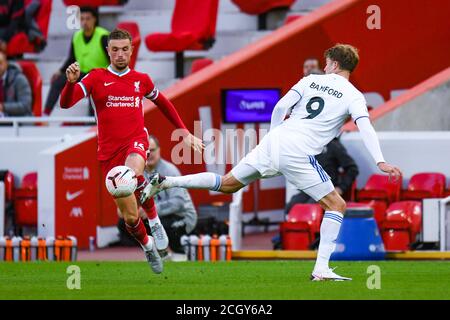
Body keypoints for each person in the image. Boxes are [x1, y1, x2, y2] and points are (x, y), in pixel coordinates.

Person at [143, 44, 402, 281]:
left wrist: (275, 136)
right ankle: (321, 268)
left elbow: (279, 107)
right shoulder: (354, 96)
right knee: (336, 204)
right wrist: (380, 161)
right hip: (299, 151)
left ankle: (166, 182)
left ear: (334, 64)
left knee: (228, 184)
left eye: (326, 62)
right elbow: (365, 126)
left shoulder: (311, 80)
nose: (324, 67)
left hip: (275, 139)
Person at [59, 28, 204, 274]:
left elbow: (164, 103)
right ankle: (147, 246)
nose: (120, 54)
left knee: (133, 172)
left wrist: (185, 132)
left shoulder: (141, 79)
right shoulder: (95, 77)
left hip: (136, 141)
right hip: (108, 153)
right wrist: (69, 83)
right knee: (129, 217)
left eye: (124, 49)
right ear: (108, 51)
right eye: (115, 49)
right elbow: (65, 103)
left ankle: (155, 221)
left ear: (131, 50)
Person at [117, 135, 197, 261]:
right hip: (156, 217)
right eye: (146, 151)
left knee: (164, 224)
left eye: (153, 150)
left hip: (183, 217)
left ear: (159, 150)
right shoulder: (137, 173)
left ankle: (180, 253)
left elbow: (179, 203)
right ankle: (154, 250)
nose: (149, 153)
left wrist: (153, 209)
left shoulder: (169, 170)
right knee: (125, 223)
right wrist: (126, 208)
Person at [44, 7, 109, 116]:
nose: (85, 22)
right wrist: (60, 71)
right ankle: (45, 115)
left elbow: (112, 59)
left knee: (93, 87)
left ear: (94, 19)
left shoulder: (103, 36)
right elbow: (72, 58)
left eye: (88, 19)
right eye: (82, 19)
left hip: (100, 75)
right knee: (58, 81)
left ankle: (91, 122)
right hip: (82, 73)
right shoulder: (76, 36)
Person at [285, 137, 359, 213]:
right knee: (291, 206)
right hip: (310, 188)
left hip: (327, 190)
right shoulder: (308, 146)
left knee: (310, 209)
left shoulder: (333, 145)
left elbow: (352, 169)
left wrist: (341, 188)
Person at [0, 51, 32, 117]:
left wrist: (3, 107)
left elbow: (26, 106)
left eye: (0, 63)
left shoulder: (19, 79)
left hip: (18, 122)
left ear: (6, 64)